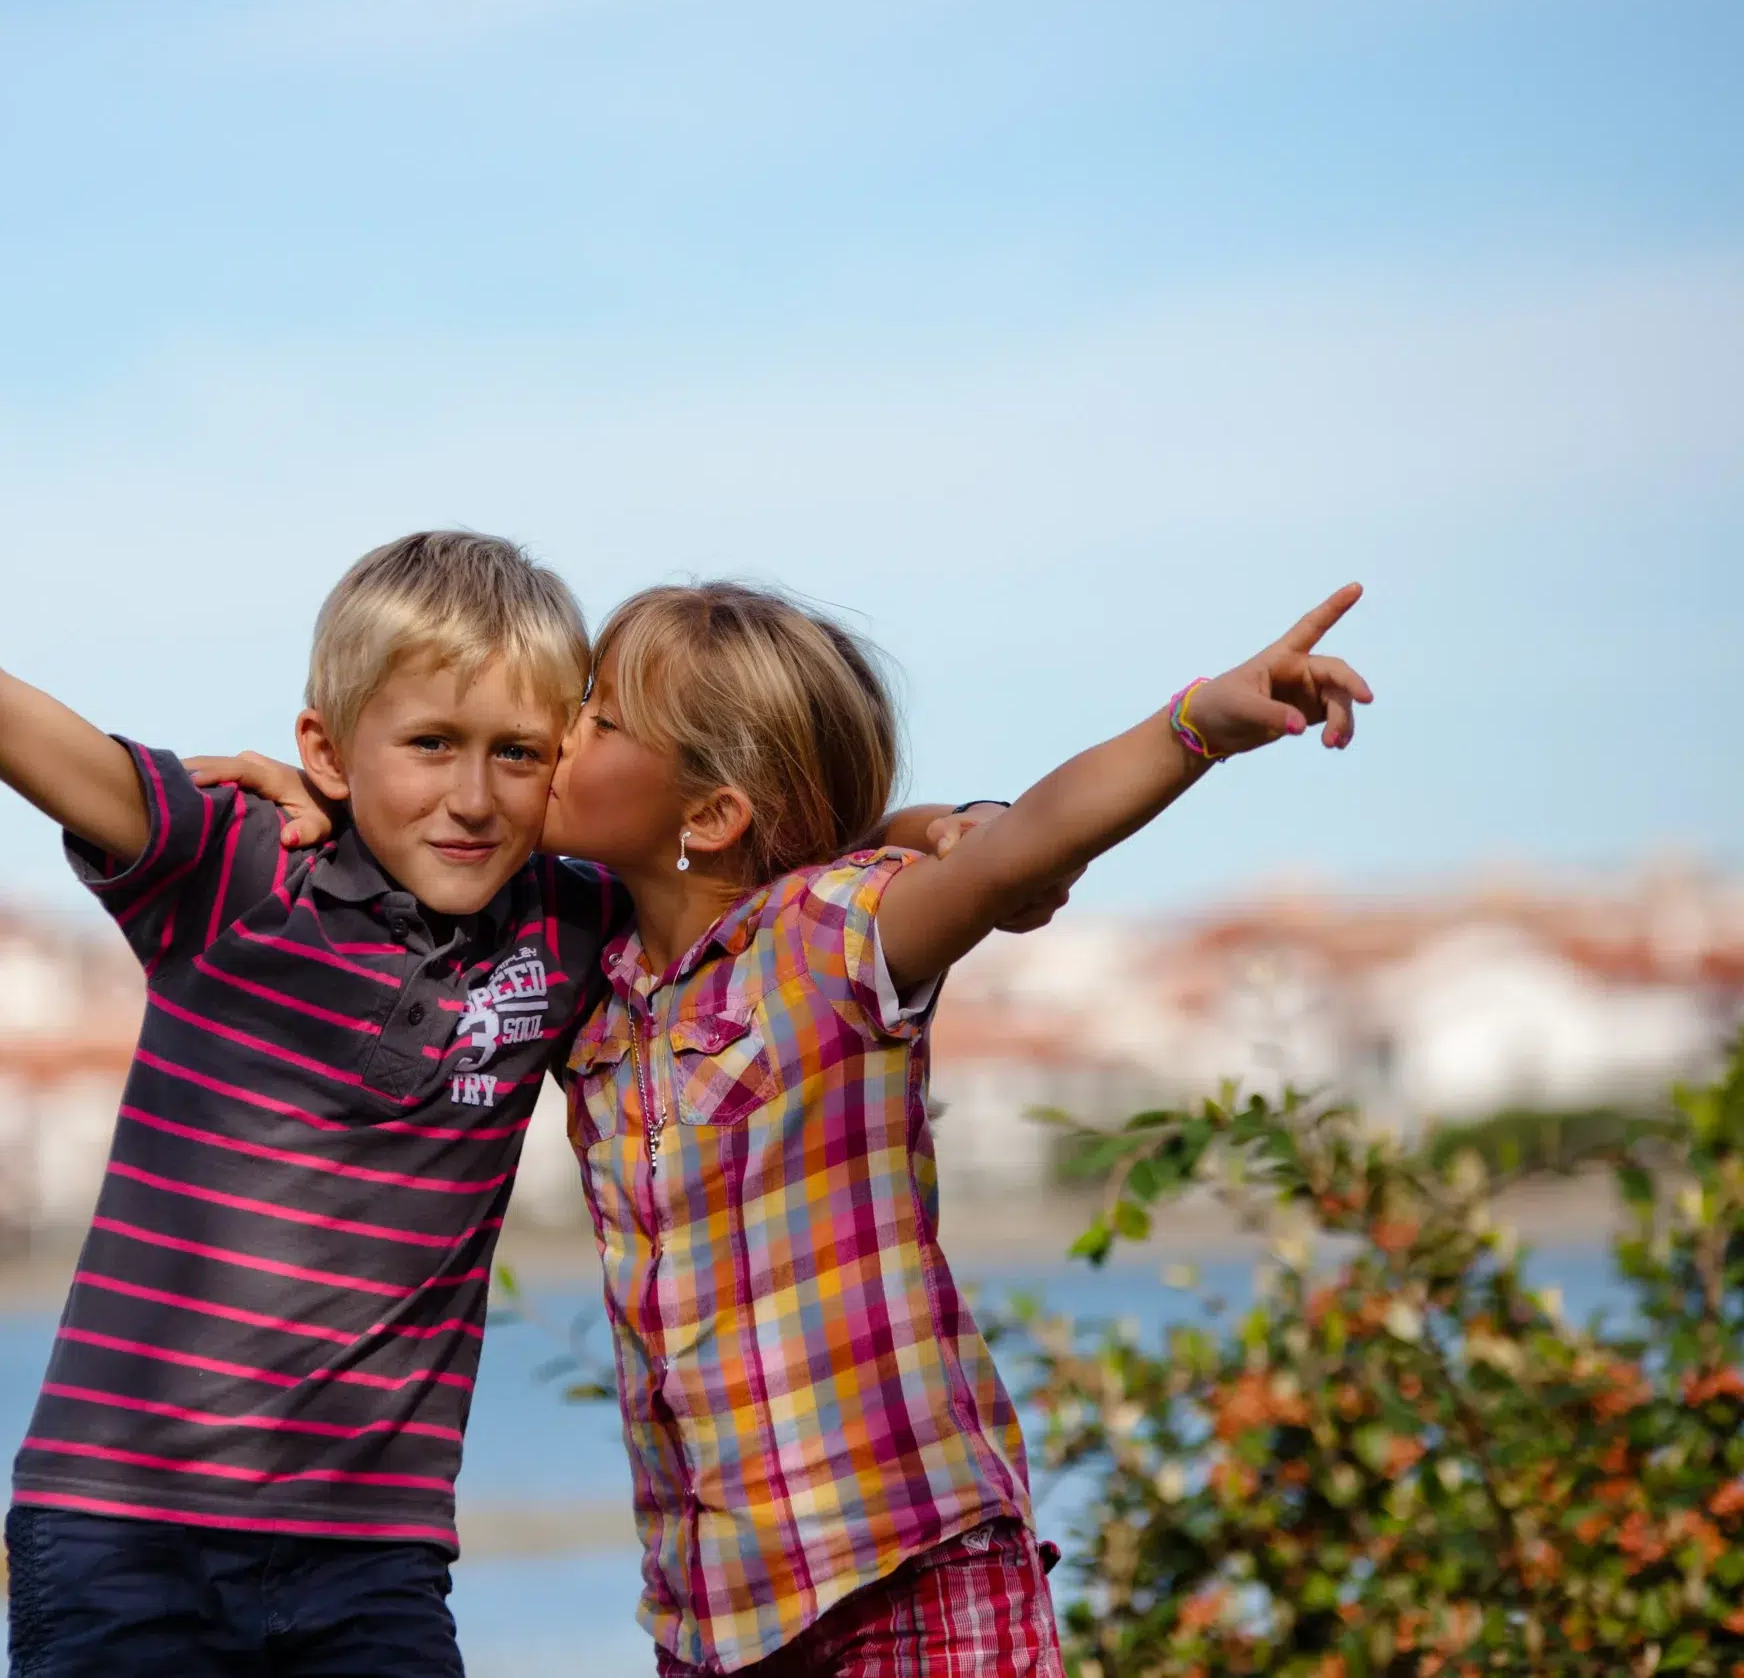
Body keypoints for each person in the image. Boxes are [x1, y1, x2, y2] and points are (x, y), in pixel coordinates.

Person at [0, 377, 1023, 1677]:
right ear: (328, 745)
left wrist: (919, 827)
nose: (470, 793)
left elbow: (738, 864)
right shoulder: (226, 863)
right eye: (430, 744)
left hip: (373, 1557)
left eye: (521, 754)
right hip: (123, 1530)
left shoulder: (570, 924)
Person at [533, 580, 1372, 1677]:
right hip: (716, 1613)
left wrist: (1192, 727)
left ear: (708, 814)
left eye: (597, 719)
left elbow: (1015, 850)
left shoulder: (824, 937)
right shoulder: (589, 986)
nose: (557, 734)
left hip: (906, 1564)